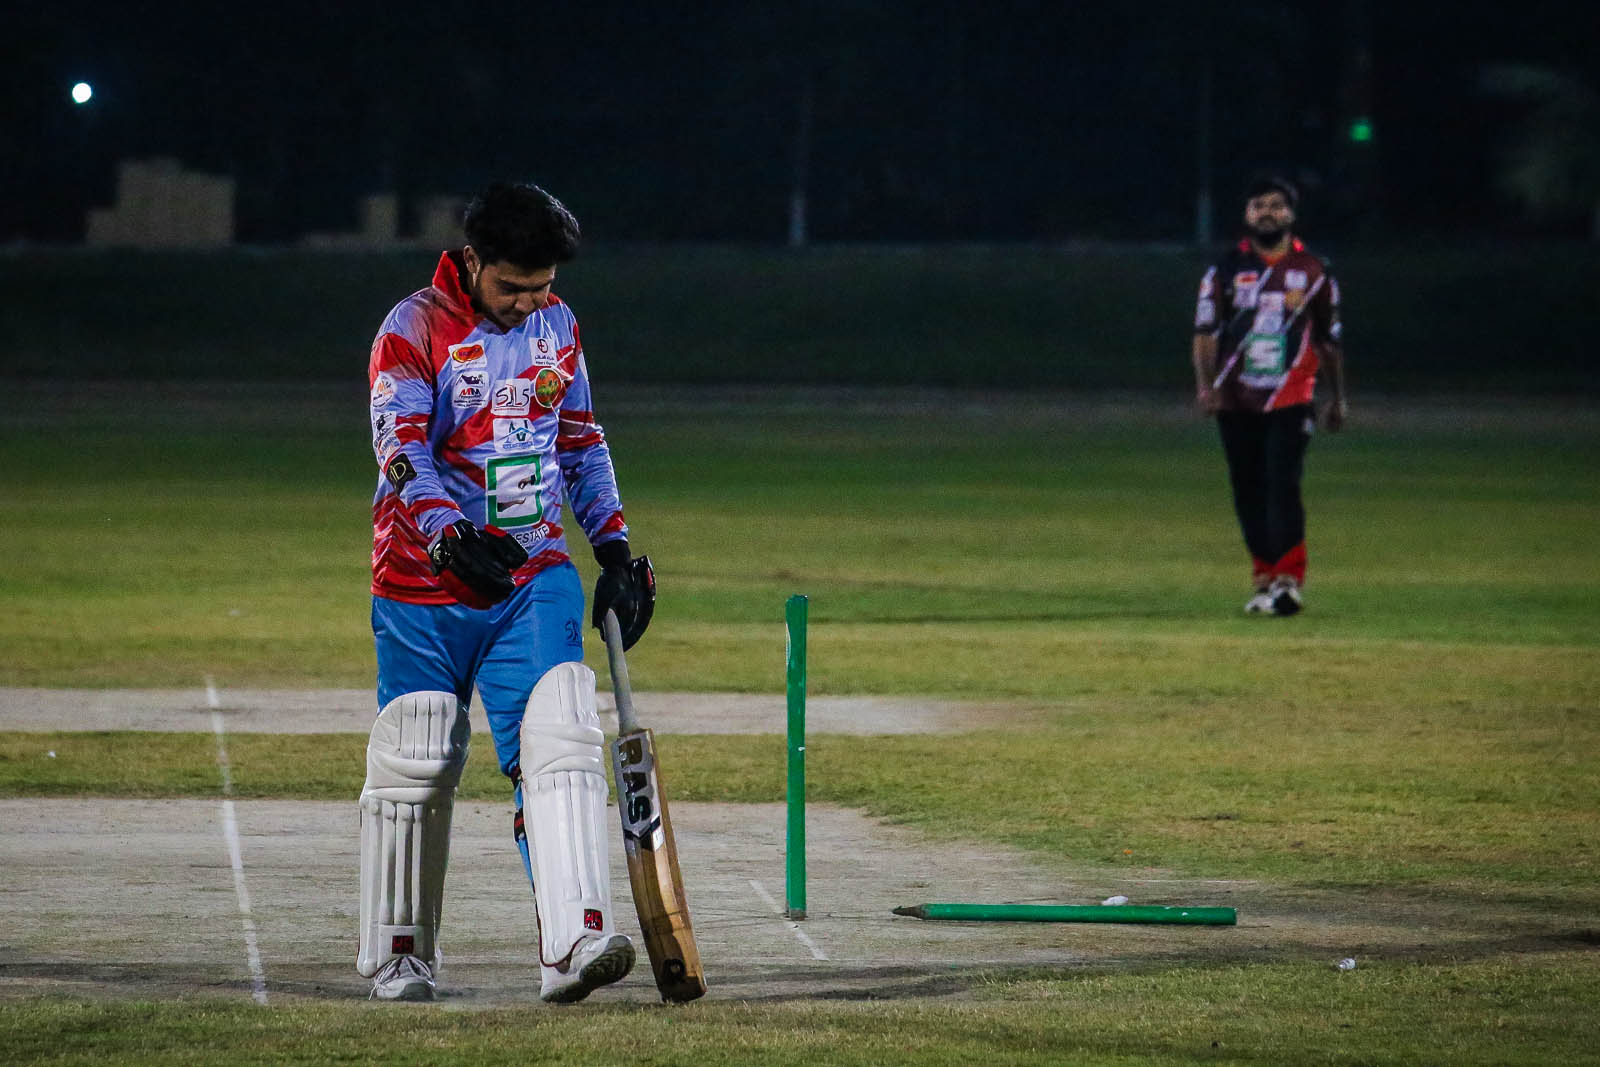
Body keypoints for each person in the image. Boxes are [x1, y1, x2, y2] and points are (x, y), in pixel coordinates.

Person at [358, 182, 656, 1002]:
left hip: (533, 575)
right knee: (418, 755)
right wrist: (448, 533)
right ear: (472, 259)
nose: (529, 302)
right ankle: (400, 952)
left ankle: (573, 940)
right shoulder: (412, 328)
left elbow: (580, 439)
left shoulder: (557, 325)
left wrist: (615, 547)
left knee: (560, 738)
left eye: (543, 286)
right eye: (513, 285)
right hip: (424, 580)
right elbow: (400, 447)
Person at [1192, 174, 1346, 616]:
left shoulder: (1314, 270)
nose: (1267, 213)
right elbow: (1205, 332)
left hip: (1292, 394)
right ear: (1246, 214)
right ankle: (1263, 576)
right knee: (1248, 487)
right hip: (1236, 396)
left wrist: (1338, 396)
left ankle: (1288, 580)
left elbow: (1329, 339)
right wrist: (1206, 386)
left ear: (1291, 214)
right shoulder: (1224, 269)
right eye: (1258, 206)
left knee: (1283, 482)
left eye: (1276, 205)